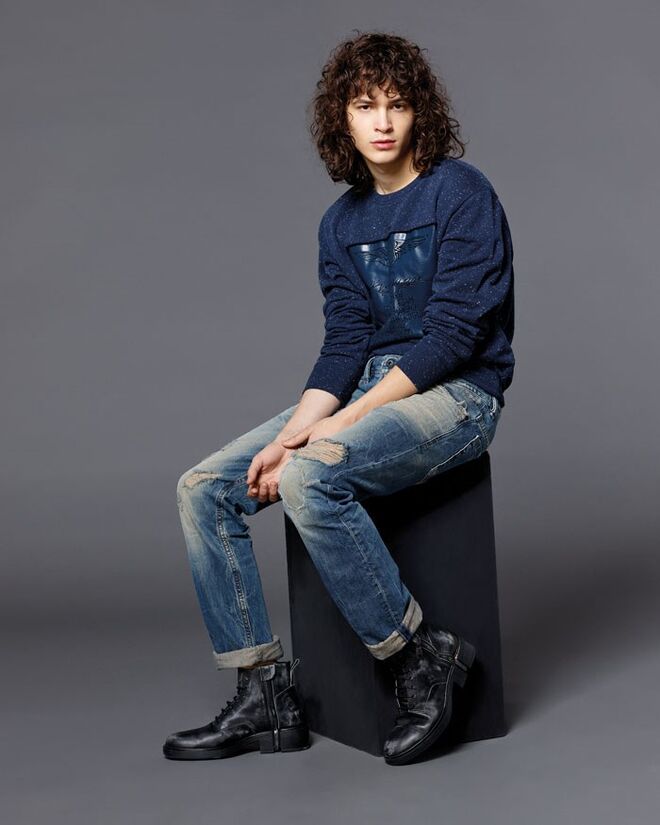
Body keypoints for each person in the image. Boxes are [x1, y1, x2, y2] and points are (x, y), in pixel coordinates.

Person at [162, 30, 515, 767]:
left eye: (397, 104)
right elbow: (345, 345)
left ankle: (421, 658)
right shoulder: (341, 224)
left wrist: (337, 427)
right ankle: (264, 694)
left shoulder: (461, 192)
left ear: (419, 113)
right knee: (204, 489)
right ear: (342, 119)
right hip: (366, 389)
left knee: (309, 475)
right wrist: (290, 432)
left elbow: (453, 337)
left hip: (455, 395)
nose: (382, 121)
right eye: (364, 105)